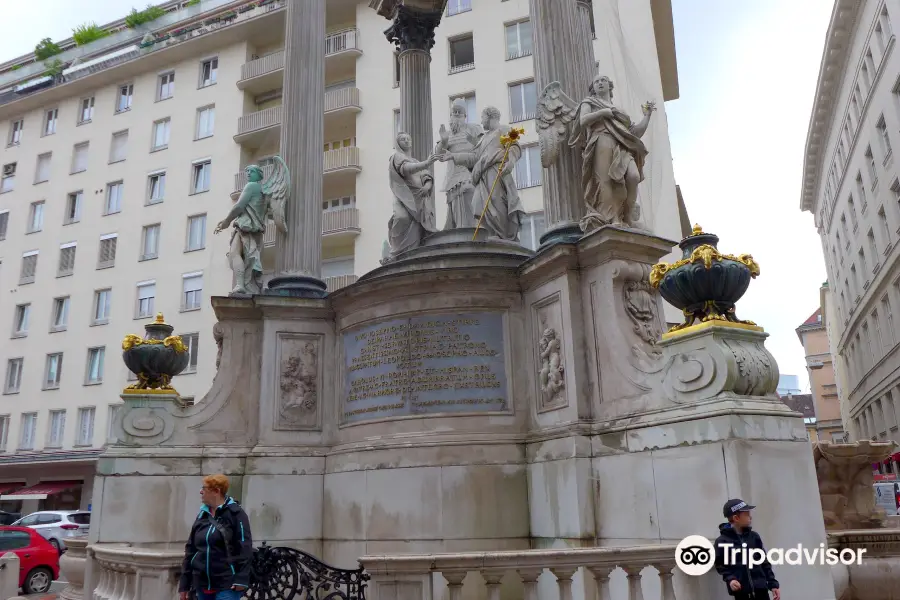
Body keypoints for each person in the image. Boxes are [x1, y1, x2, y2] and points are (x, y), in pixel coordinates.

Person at [569, 75, 654, 232]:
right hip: (601, 140)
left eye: (603, 80)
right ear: (593, 88)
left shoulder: (619, 111)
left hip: (622, 145)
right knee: (605, 180)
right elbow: (583, 120)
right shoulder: (589, 103)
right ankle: (612, 217)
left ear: (610, 86)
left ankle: (627, 216)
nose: (600, 83)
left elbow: (633, 133)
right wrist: (603, 113)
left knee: (633, 177)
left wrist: (647, 116)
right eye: (596, 82)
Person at [437, 106, 525, 241]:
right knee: (478, 205)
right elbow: (474, 157)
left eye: (483, 118)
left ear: (490, 117)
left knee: (496, 203)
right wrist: (453, 156)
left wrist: (511, 161)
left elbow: (514, 145)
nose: (481, 121)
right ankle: (491, 233)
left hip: (496, 172)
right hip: (482, 178)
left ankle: (502, 235)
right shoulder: (484, 138)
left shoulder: (503, 129)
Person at [179, 474, 253, 600]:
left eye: (204, 488)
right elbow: (191, 549)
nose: (200, 491)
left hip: (227, 584)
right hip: (202, 583)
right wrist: (184, 584)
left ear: (216, 491)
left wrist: (241, 579)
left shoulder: (236, 514)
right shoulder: (202, 515)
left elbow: (244, 547)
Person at [714, 499, 781, 600]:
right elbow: (721, 565)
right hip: (742, 593)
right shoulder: (722, 541)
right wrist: (730, 579)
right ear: (736, 518)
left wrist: (773, 584)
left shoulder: (754, 537)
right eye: (746, 514)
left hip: (761, 591)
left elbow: (764, 562)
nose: (750, 516)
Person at [386, 132, 439, 257]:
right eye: (402, 139)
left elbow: (426, 176)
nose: (406, 141)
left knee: (417, 226)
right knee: (401, 218)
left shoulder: (415, 161)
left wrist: (427, 185)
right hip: (404, 197)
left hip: (419, 199)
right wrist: (426, 163)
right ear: (398, 143)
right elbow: (406, 169)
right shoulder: (397, 157)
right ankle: (397, 251)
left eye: (408, 138)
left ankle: (414, 251)